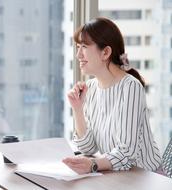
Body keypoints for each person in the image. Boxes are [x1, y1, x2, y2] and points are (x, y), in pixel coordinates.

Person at [62, 17, 161, 174]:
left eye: (84, 47)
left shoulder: (131, 87)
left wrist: (93, 164)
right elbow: (87, 147)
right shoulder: (91, 88)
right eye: (78, 47)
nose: (78, 54)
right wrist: (78, 109)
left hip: (146, 177)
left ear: (106, 52)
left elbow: (126, 153)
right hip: (117, 175)